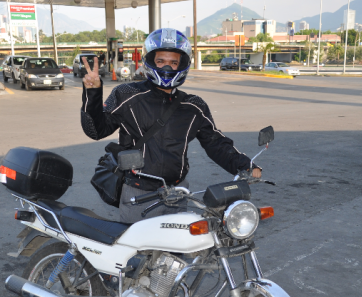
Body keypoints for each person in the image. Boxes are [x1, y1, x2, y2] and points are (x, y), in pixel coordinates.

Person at [81, 28, 261, 223]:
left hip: (178, 193)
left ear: (182, 65)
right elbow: (96, 131)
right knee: (138, 251)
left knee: (178, 251)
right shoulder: (127, 94)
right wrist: (93, 94)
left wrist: (245, 165)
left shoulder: (193, 106)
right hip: (138, 193)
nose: (167, 67)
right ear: (150, 61)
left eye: (173, 62)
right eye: (161, 61)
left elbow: (215, 143)